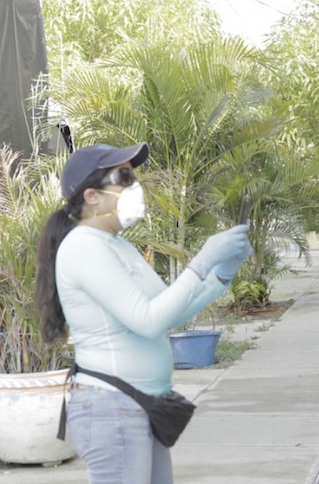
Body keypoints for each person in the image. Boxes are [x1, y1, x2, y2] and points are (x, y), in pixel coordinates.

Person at [34, 142, 253, 484]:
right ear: (92, 196)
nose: (134, 185)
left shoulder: (117, 245)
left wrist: (220, 276)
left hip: (142, 404)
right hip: (112, 407)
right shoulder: (82, 247)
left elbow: (167, 313)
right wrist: (203, 259)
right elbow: (148, 320)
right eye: (124, 176)